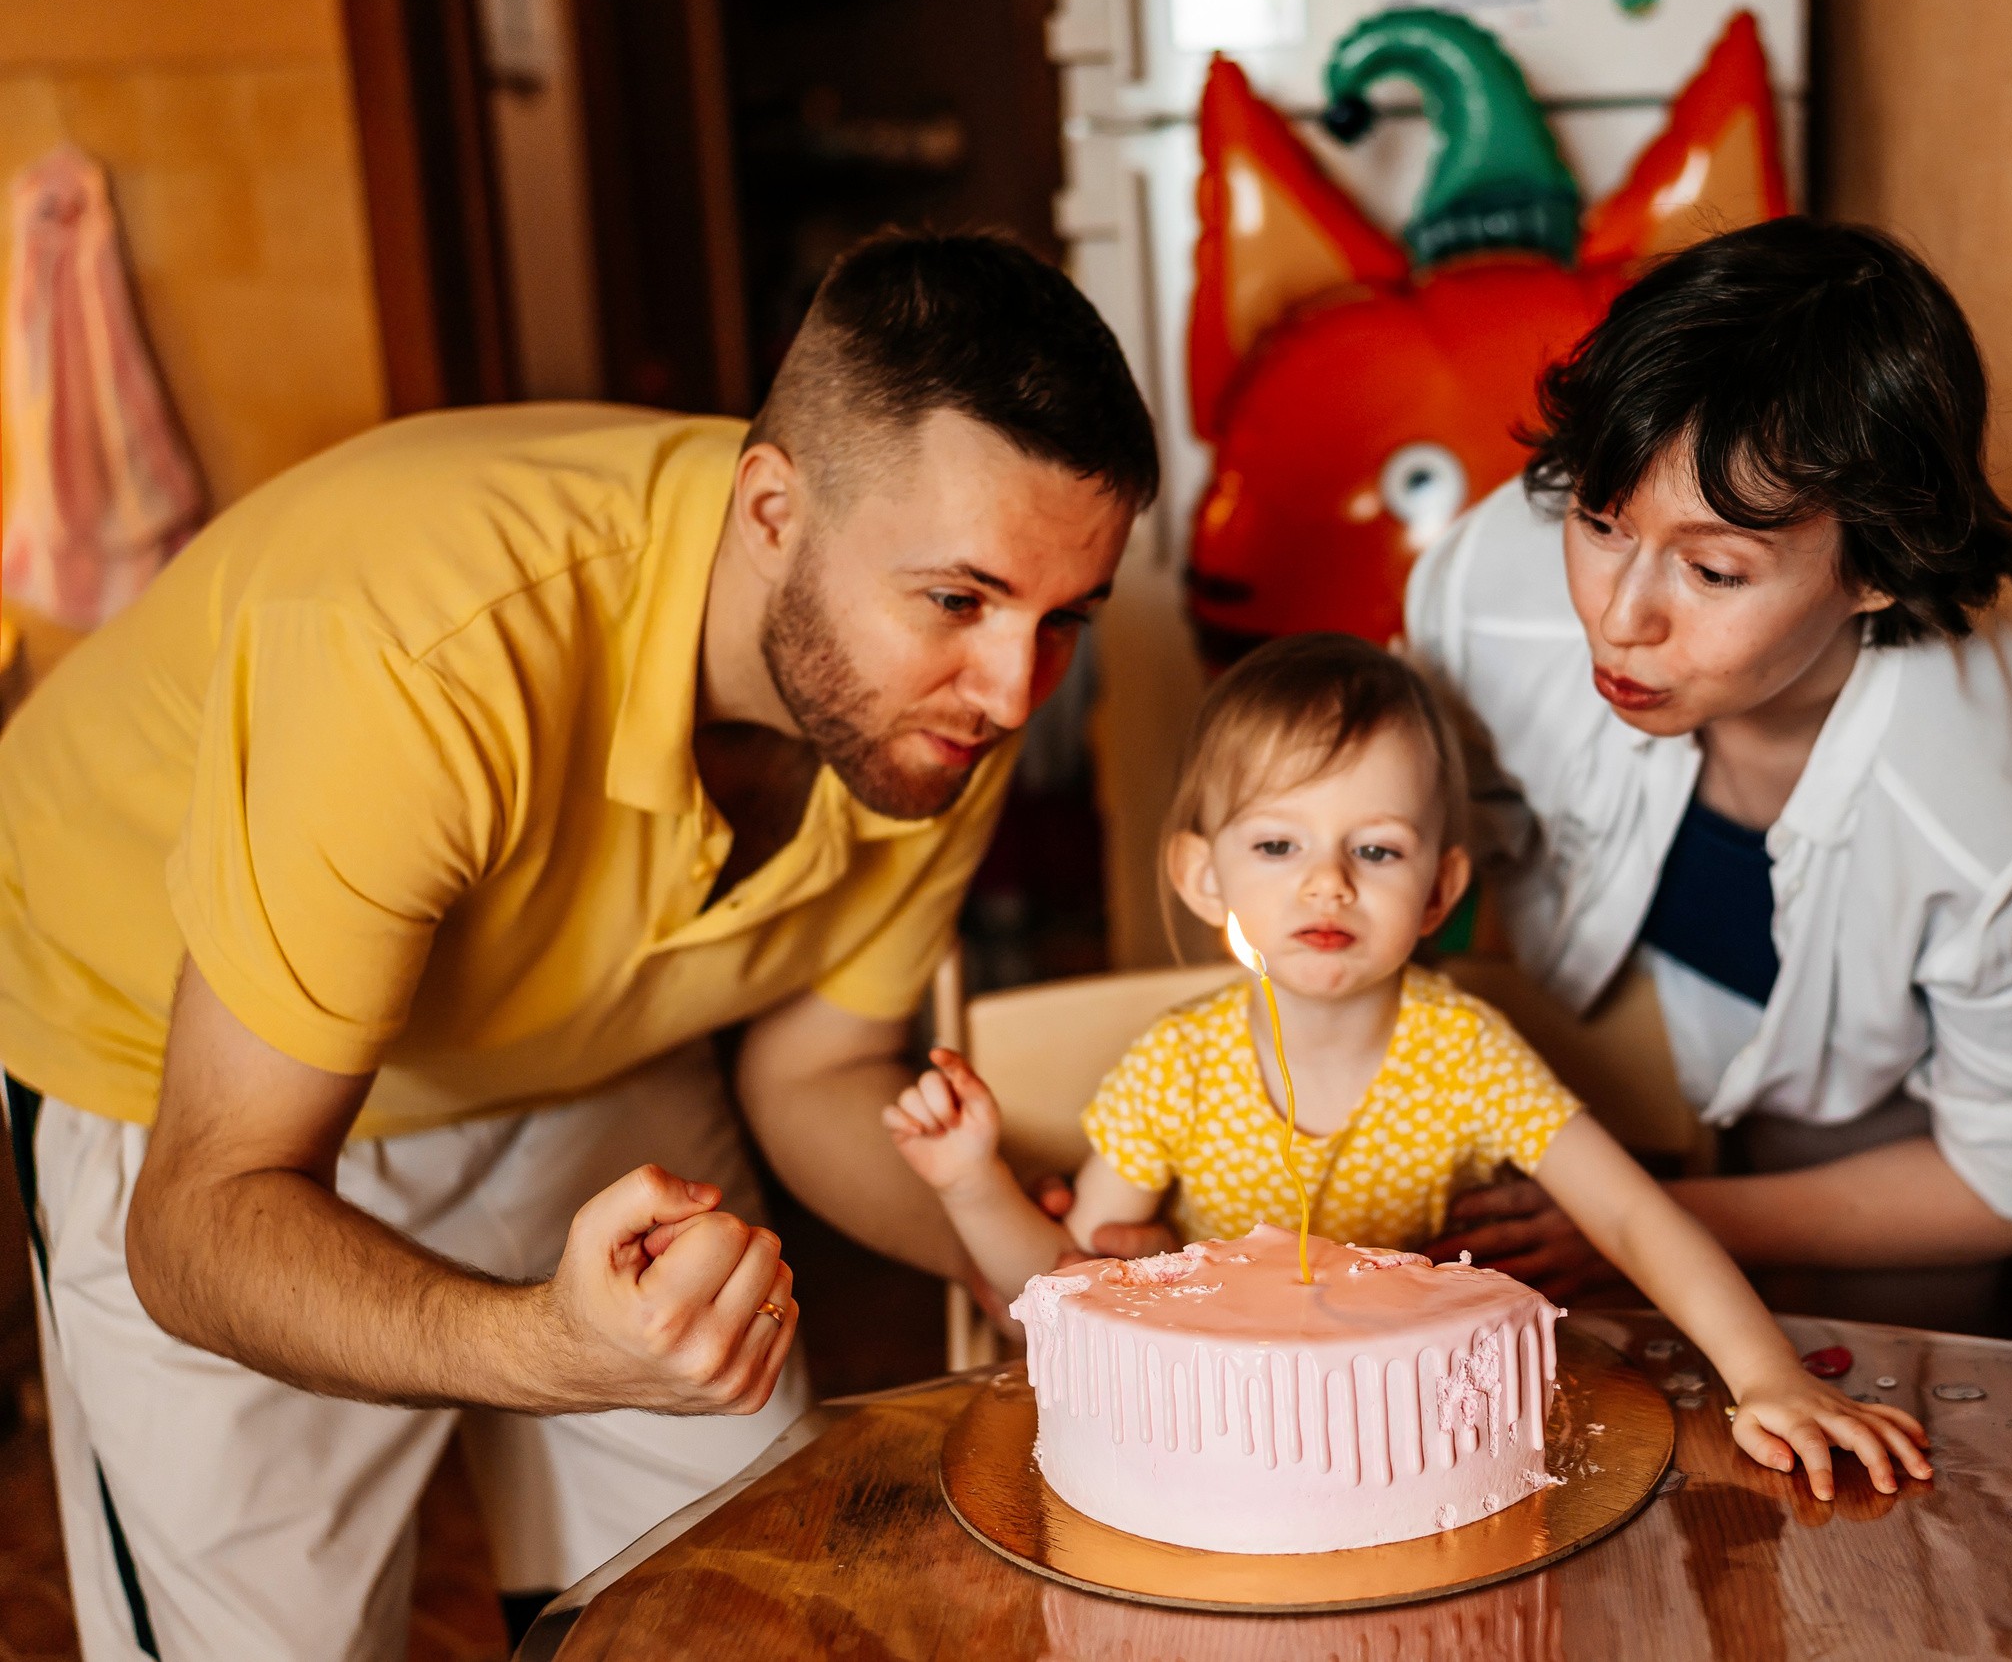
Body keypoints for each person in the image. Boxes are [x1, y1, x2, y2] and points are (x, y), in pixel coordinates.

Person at [0, 230, 1156, 1660]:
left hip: (585, 1037)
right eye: (959, 600)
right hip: (186, 1079)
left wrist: (1041, 1273)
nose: (1014, 692)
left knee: (739, 1599)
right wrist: (541, 1344)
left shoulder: (930, 704)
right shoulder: (421, 643)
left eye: (1063, 619)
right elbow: (198, 1217)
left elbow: (815, 1071)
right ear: (772, 510)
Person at [882, 633, 1933, 1501]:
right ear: (1204, 877)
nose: (1328, 885)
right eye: (1278, 846)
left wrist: (1766, 1374)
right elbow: (1064, 1289)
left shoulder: (1464, 1053)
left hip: (1435, 1467)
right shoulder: (1176, 1067)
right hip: (1220, 1471)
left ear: (1438, 890)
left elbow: (1629, 1216)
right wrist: (973, 1182)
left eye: (1376, 850)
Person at [1404, 217, 2012, 1327]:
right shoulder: (1490, 587)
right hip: (1580, 1059)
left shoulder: (2000, 789)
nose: (1620, 617)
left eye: (1713, 571)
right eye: (1600, 522)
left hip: (1867, 1160)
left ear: (1878, 567)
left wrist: (1643, 1220)